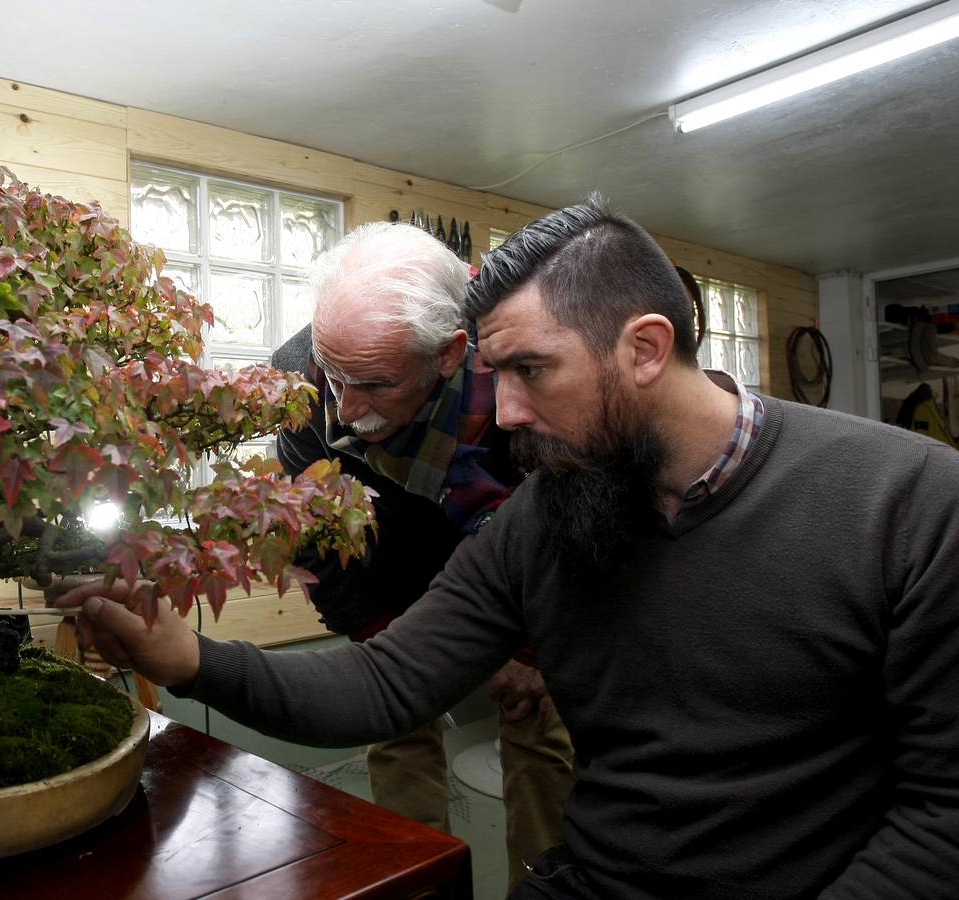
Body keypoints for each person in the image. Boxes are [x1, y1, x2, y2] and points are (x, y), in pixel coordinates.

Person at [57, 197, 959, 899]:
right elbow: (382, 685)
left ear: (645, 348)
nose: (510, 412)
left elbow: (942, 817)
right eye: (501, 374)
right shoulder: (550, 512)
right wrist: (189, 658)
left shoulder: (908, 503)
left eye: (530, 371)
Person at [269, 221, 573, 879]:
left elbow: (567, 518)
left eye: (374, 383)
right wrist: (379, 643)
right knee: (398, 731)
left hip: (510, 544)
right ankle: (420, 889)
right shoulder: (296, 384)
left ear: (447, 353)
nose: (345, 411)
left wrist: (530, 652)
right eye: (334, 374)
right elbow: (319, 543)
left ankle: (545, 888)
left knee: (538, 727)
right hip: (390, 564)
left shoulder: (524, 367)